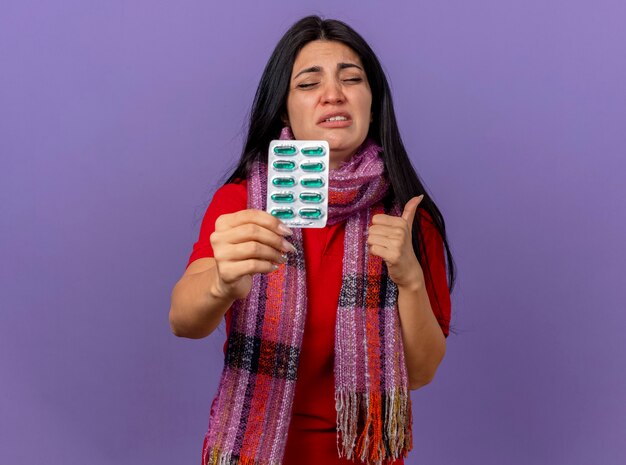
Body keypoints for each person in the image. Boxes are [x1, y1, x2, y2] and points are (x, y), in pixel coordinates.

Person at [169, 15, 455, 465]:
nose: (333, 93)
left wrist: (410, 277)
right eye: (308, 83)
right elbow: (183, 321)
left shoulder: (408, 219)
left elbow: (419, 373)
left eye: (352, 78)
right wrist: (221, 283)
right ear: (284, 108)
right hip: (257, 449)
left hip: (366, 453)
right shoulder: (243, 203)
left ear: (372, 102)